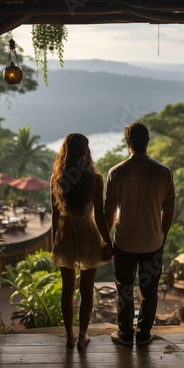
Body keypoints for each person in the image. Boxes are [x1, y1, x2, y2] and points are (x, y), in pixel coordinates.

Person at [104, 121, 175, 346]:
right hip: (153, 243)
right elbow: (169, 209)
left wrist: (106, 240)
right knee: (149, 290)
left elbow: (109, 212)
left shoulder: (116, 172)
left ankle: (125, 334)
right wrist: (161, 236)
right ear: (148, 142)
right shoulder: (164, 172)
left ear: (128, 143)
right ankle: (144, 334)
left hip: (124, 243)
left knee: (125, 289)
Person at [50, 133, 113, 349]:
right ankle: (83, 335)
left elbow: (54, 215)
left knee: (67, 290)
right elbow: (100, 216)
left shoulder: (56, 179)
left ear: (65, 153)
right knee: (87, 289)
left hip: (66, 234)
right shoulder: (95, 179)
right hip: (88, 234)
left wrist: (54, 242)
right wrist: (108, 242)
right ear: (86, 152)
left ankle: (69, 336)